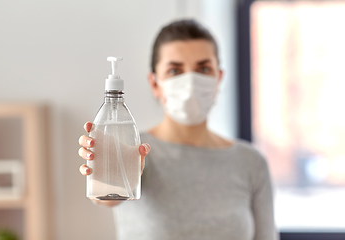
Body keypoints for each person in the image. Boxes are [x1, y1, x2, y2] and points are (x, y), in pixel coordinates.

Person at [78, 19, 278, 240]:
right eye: (175, 70)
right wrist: (103, 165)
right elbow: (107, 197)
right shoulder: (135, 151)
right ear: (155, 83)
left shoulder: (250, 163)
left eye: (203, 68)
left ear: (218, 78)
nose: (190, 82)